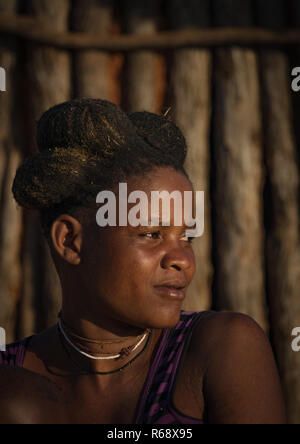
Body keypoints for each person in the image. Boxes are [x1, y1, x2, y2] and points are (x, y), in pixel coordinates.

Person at [0, 98, 286, 424]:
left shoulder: (220, 351)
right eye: (151, 234)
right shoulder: (10, 386)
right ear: (70, 241)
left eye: (186, 237)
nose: (183, 260)